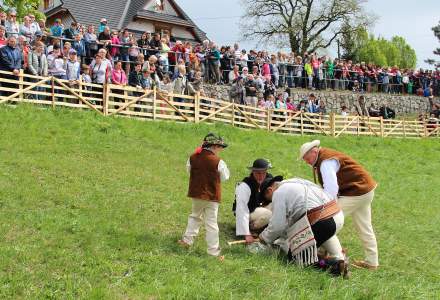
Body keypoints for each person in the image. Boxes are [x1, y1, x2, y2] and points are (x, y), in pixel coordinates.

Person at [299, 140, 379, 270]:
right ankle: (372, 262)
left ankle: (331, 254)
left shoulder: (325, 162)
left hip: (356, 192)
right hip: (365, 191)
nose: (306, 161)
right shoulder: (324, 157)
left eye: (306, 158)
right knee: (365, 227)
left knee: (328, 221)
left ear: (314, 152)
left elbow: (331, 187)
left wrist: (328, 207)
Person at [257, 176, 348, 277]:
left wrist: (264, 237)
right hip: (337, 215)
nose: (271, 202)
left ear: (269, 190)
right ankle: (340, 258)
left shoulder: (279, 193)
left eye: (268, 200)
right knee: (321, 235)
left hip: (323, 221)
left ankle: (334, 266)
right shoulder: (297, 182)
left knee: (296, 258)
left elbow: (277, 226)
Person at [178, 133, 230, 259]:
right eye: (220, 147)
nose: (221, 150)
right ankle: (213, 251)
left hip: (196, 194)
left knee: (195, 216)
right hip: (212, 196)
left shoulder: (192, 157)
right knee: (211, 223)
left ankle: (187, 241)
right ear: (215, 146)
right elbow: (225, 177)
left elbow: (189, 171)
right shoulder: (218, 162)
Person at [233, 159, 274, 244]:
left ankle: (269, 231)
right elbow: (241, 209)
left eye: (264, 173)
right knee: (268, 214)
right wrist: (246, 234)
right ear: (253, 172)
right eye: (258, 173)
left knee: (276, 206)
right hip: (246, 212)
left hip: (258, 208)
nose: (261, 176)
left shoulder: (268, 180)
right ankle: (251, 229)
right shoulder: (244, 186)